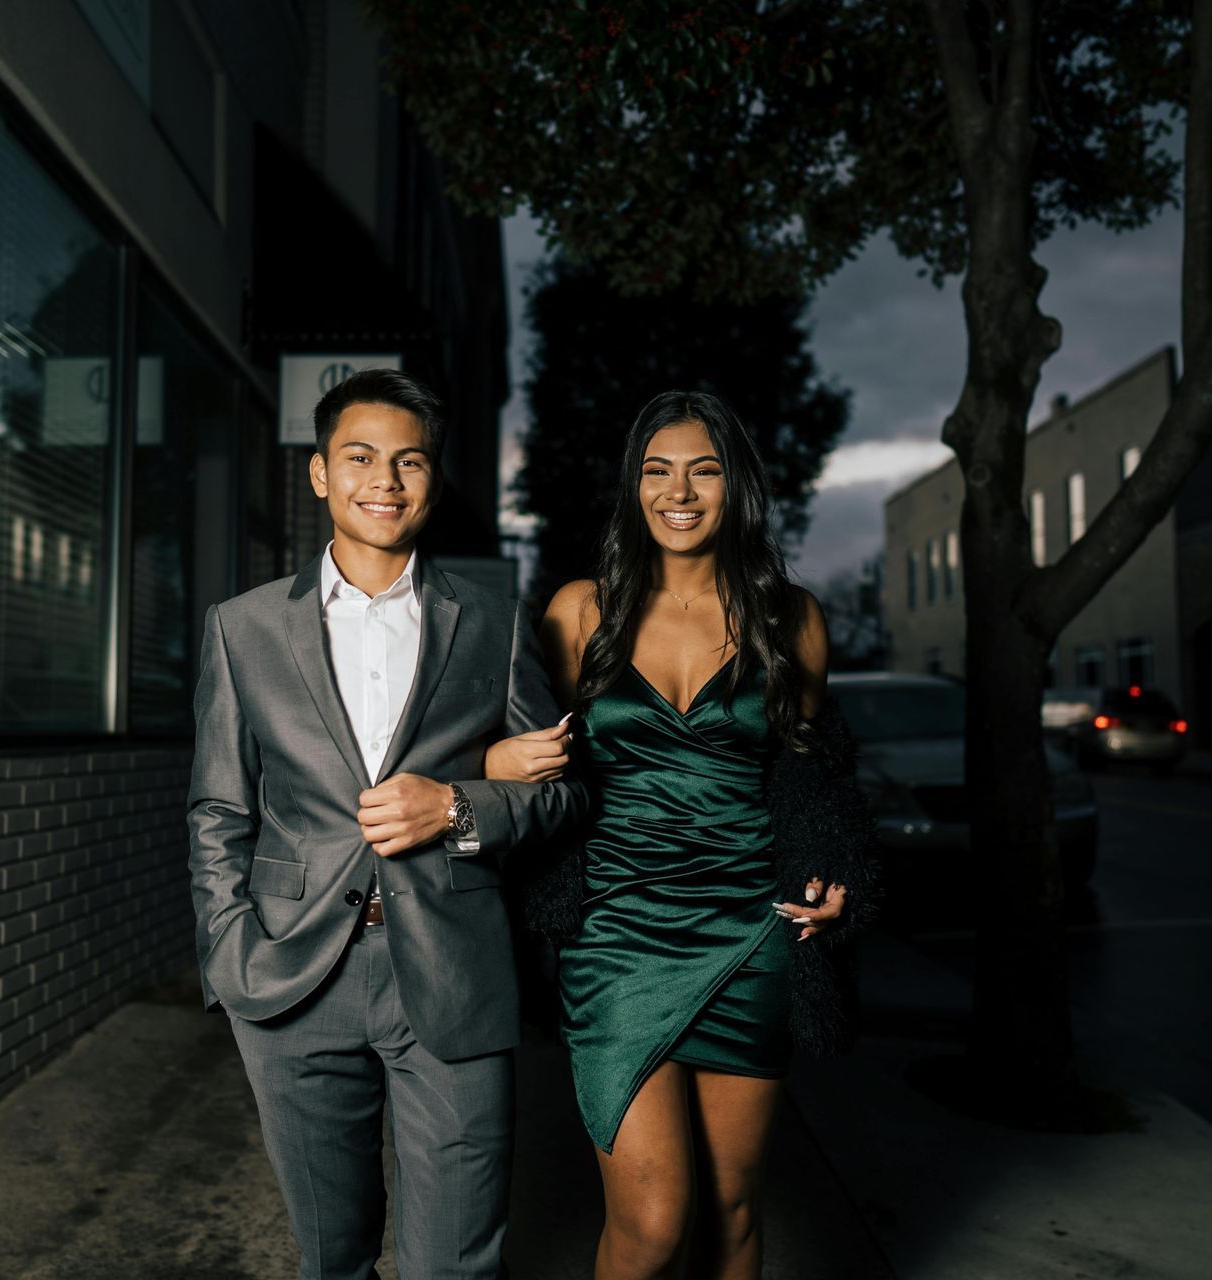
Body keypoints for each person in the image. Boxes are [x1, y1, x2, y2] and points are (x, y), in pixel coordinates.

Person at [186, 368, 587, 1280]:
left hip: (453, 969)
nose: (386, 480)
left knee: (454, 1263)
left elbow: (561, 790)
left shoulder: (493, 621)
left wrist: (453, 805)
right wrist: (228, 947)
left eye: (410, 461)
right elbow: (218, 807)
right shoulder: (242, 627)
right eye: (360, 457)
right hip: (292, 974)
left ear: (434, 482)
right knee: (334, 1260)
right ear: (321, 474)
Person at [485, 390, 877, 1280]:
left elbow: (816, 772)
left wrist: (836, 869)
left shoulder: (792, 618)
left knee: (735, 1209)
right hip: (615, 936)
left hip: (753, 930)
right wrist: (496, 763)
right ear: (634, 489)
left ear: (735, 486)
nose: (680, 491)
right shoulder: (580, 612)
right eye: (657, 471)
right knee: (655, 1224)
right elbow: (518, 747)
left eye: (704, 470)